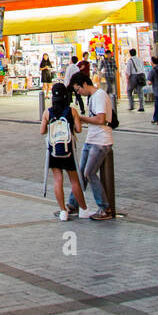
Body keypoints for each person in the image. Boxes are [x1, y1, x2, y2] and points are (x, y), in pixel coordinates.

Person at [40, 82, 93, 222]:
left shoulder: (47, 112)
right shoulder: (72, 111)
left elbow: (42, 131)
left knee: (58, 180)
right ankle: (83, 209)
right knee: (74, 180)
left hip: (53, 150)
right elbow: (79, 129)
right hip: (68, 149)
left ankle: (63, 211)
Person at [65, 72, 114, 220]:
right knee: (81, 173)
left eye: (78, 89)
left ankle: (105, 208)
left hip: (101, 141)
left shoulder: (99, 96)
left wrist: (81, 118)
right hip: (92, 139)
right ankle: (73, 204)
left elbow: (100, 119)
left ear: (84, 84)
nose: (78, 92)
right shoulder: (93, 97)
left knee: (89, 173)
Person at [99, 48, 118, 116]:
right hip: (107, 75)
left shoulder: (113, 60)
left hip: (112, 75)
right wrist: (100, 76)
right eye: (107, 54)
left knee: (109, 88)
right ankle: (111, 99)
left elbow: (115, 67)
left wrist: (115, 71)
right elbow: (100, 68)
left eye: (109, 54)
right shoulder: (104, 61)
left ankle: (106, 96)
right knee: (110, 87)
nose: (109, 55)